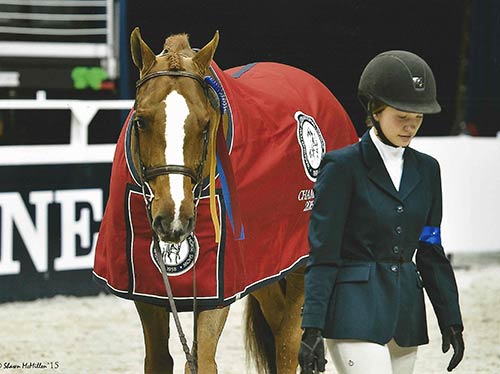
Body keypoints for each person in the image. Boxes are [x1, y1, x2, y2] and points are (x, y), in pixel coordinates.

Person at [298, 50, 465, 374]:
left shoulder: (428, 171)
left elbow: (430, 249)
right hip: (352, 312)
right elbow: (324, 253)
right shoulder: (342, 167)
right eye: (401, 115)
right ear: (375, 110)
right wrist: (312, 327)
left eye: (418, 117)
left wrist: (450, 319)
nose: (410, 125)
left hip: (406, 315)